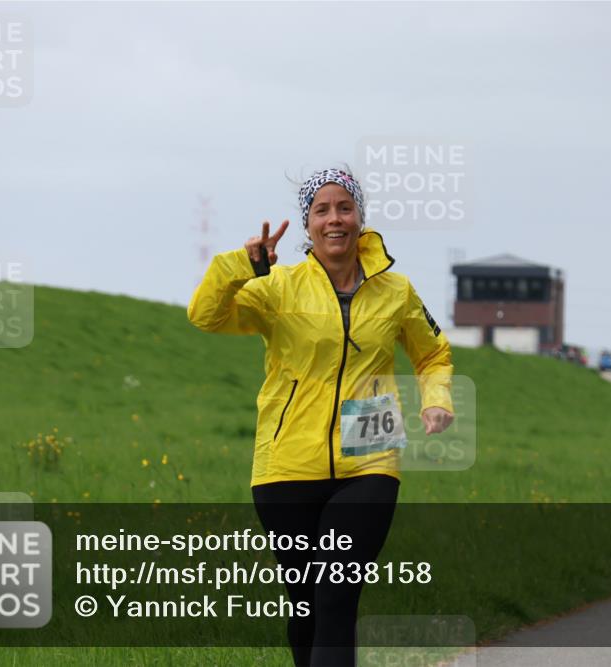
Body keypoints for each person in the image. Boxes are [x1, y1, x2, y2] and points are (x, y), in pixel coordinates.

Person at [187, 168, 454, 667]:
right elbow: (206, 315)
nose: (335, 219)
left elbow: (432, 353)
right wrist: (240, 266)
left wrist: (436, 398)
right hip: (286, 463)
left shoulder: (395, 291)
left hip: (369, 458)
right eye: (322, 210)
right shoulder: (278, 289)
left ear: (360, 218)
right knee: (307, 603)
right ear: (307, 225)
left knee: (337, 591)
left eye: (344, 207)